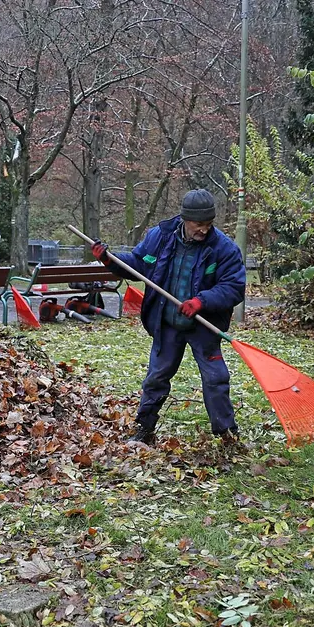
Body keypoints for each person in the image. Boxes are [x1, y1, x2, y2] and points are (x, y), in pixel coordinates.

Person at [93, 189, 246, 445]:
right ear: (185, 219)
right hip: (167, 324)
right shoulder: (160, 236)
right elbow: (138, 264)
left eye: (209, 224)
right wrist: (110, 260)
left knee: (215, 378)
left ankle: (226, 433)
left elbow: (234, 287)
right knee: (156, 377)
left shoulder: (224, 248)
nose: (204, 230)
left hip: (203, 326)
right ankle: (144, 428)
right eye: (199, 224)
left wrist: (201, 301)